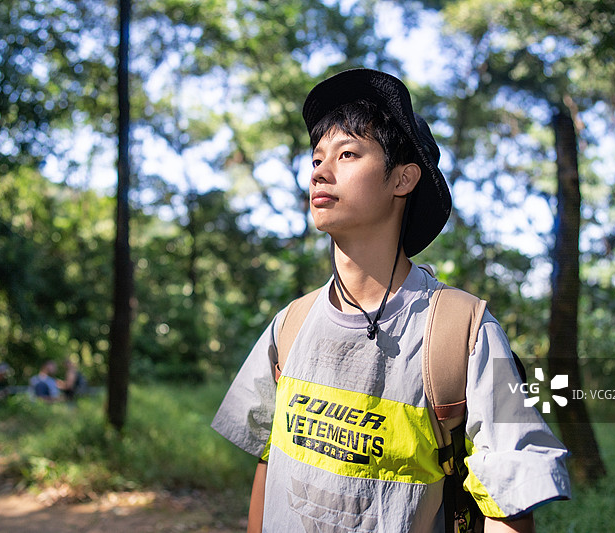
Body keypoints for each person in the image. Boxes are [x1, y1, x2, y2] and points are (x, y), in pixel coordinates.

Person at [211, 69, 570, 532]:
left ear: (402, 178)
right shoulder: (291, 323)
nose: (319, 171)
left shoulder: (463, 330)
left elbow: (509, 501)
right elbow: (270, 458)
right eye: (317, 158)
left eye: (347, 154)